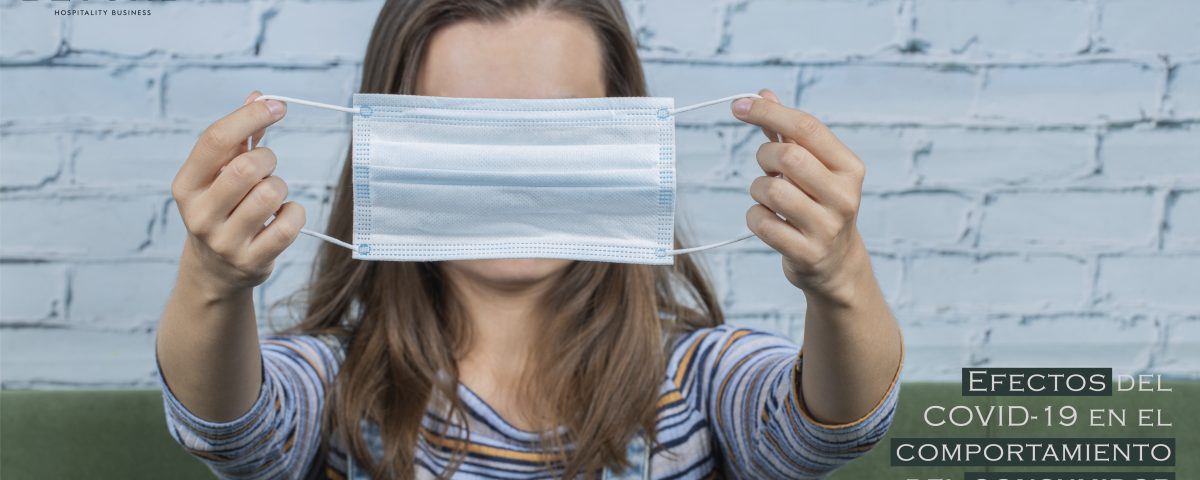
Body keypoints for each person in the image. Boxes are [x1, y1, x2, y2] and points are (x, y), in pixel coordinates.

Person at [155, 0, 903, 478]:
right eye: (467, 127)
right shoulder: (329, 386)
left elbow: (830, 430)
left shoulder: (697, 381)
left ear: (621, 129)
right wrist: (213, 282)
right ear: (390, 143)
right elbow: (231, 433)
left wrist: (841, 278)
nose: (514, 169)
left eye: (555, 126)